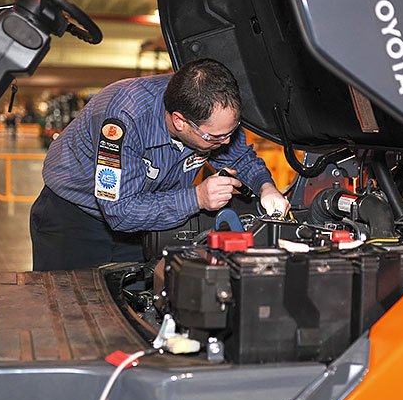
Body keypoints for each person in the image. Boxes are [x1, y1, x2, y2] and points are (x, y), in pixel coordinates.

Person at [30, 58, 290, 271]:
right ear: (179, 122)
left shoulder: (210, 116)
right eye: (215, 137)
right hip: (73, 221)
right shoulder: (124, 119)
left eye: (230, 132)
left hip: (146, 222)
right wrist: (197, 197)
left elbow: (240, 157)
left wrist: (266, 187)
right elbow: (120, 211)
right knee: (68, 310)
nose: (225, 142)